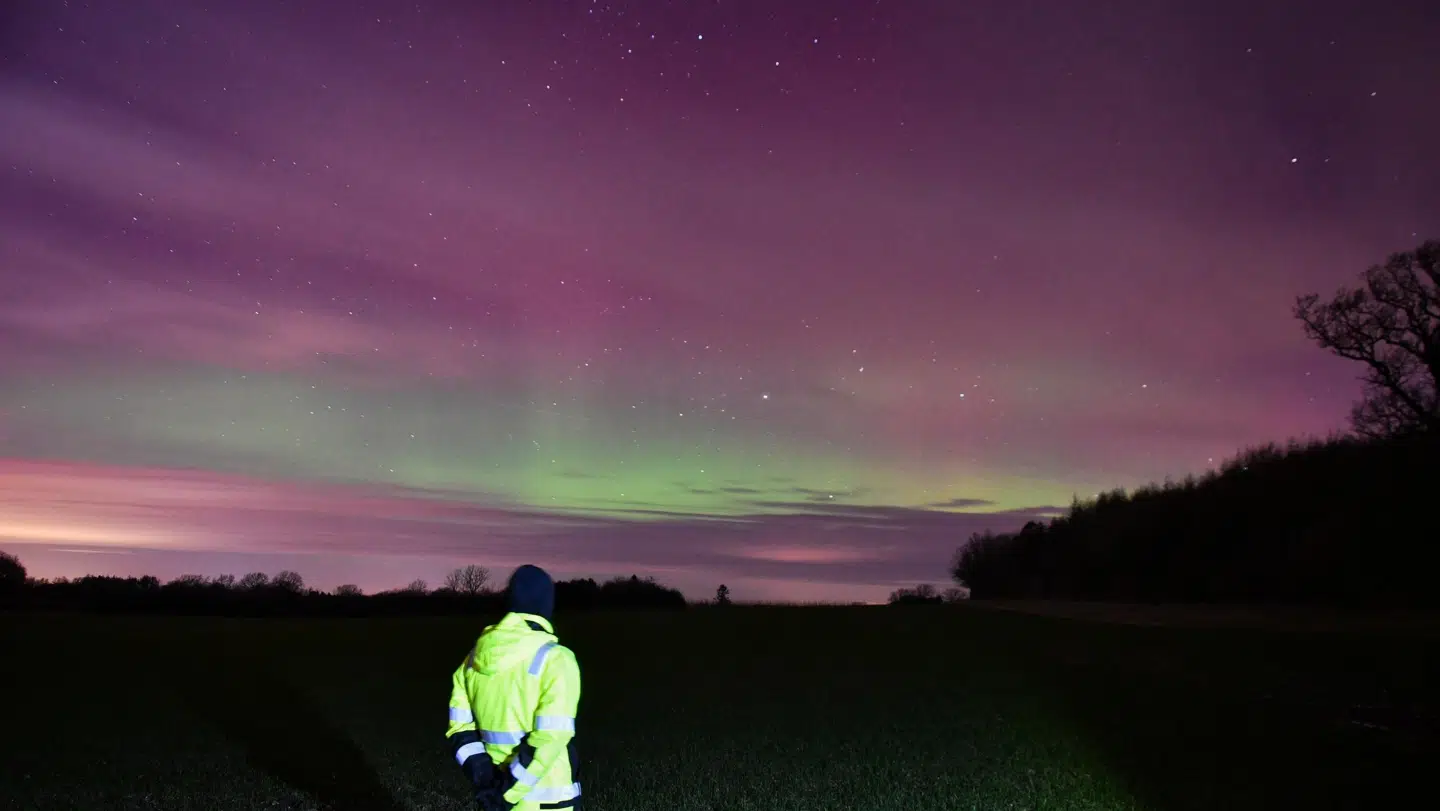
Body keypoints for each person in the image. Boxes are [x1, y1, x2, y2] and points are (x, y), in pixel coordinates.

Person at [446, 564, 583, 810]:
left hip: (494, 796)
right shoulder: (557, 659)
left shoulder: (471, 661)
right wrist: (507, 793)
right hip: (549, 801)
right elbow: (550, 737)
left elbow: (459, 730)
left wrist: (485, 780)